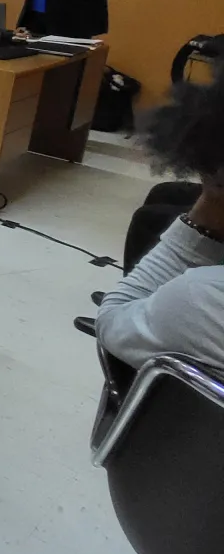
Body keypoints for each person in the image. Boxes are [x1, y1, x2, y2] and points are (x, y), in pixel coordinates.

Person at [98, 75, 224, 370]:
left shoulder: (201, 296)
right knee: (163, 194)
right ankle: (150, 309)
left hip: (165, 320)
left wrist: (212, 203)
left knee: (149, 219)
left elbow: (110, 322)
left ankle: (146, 313)